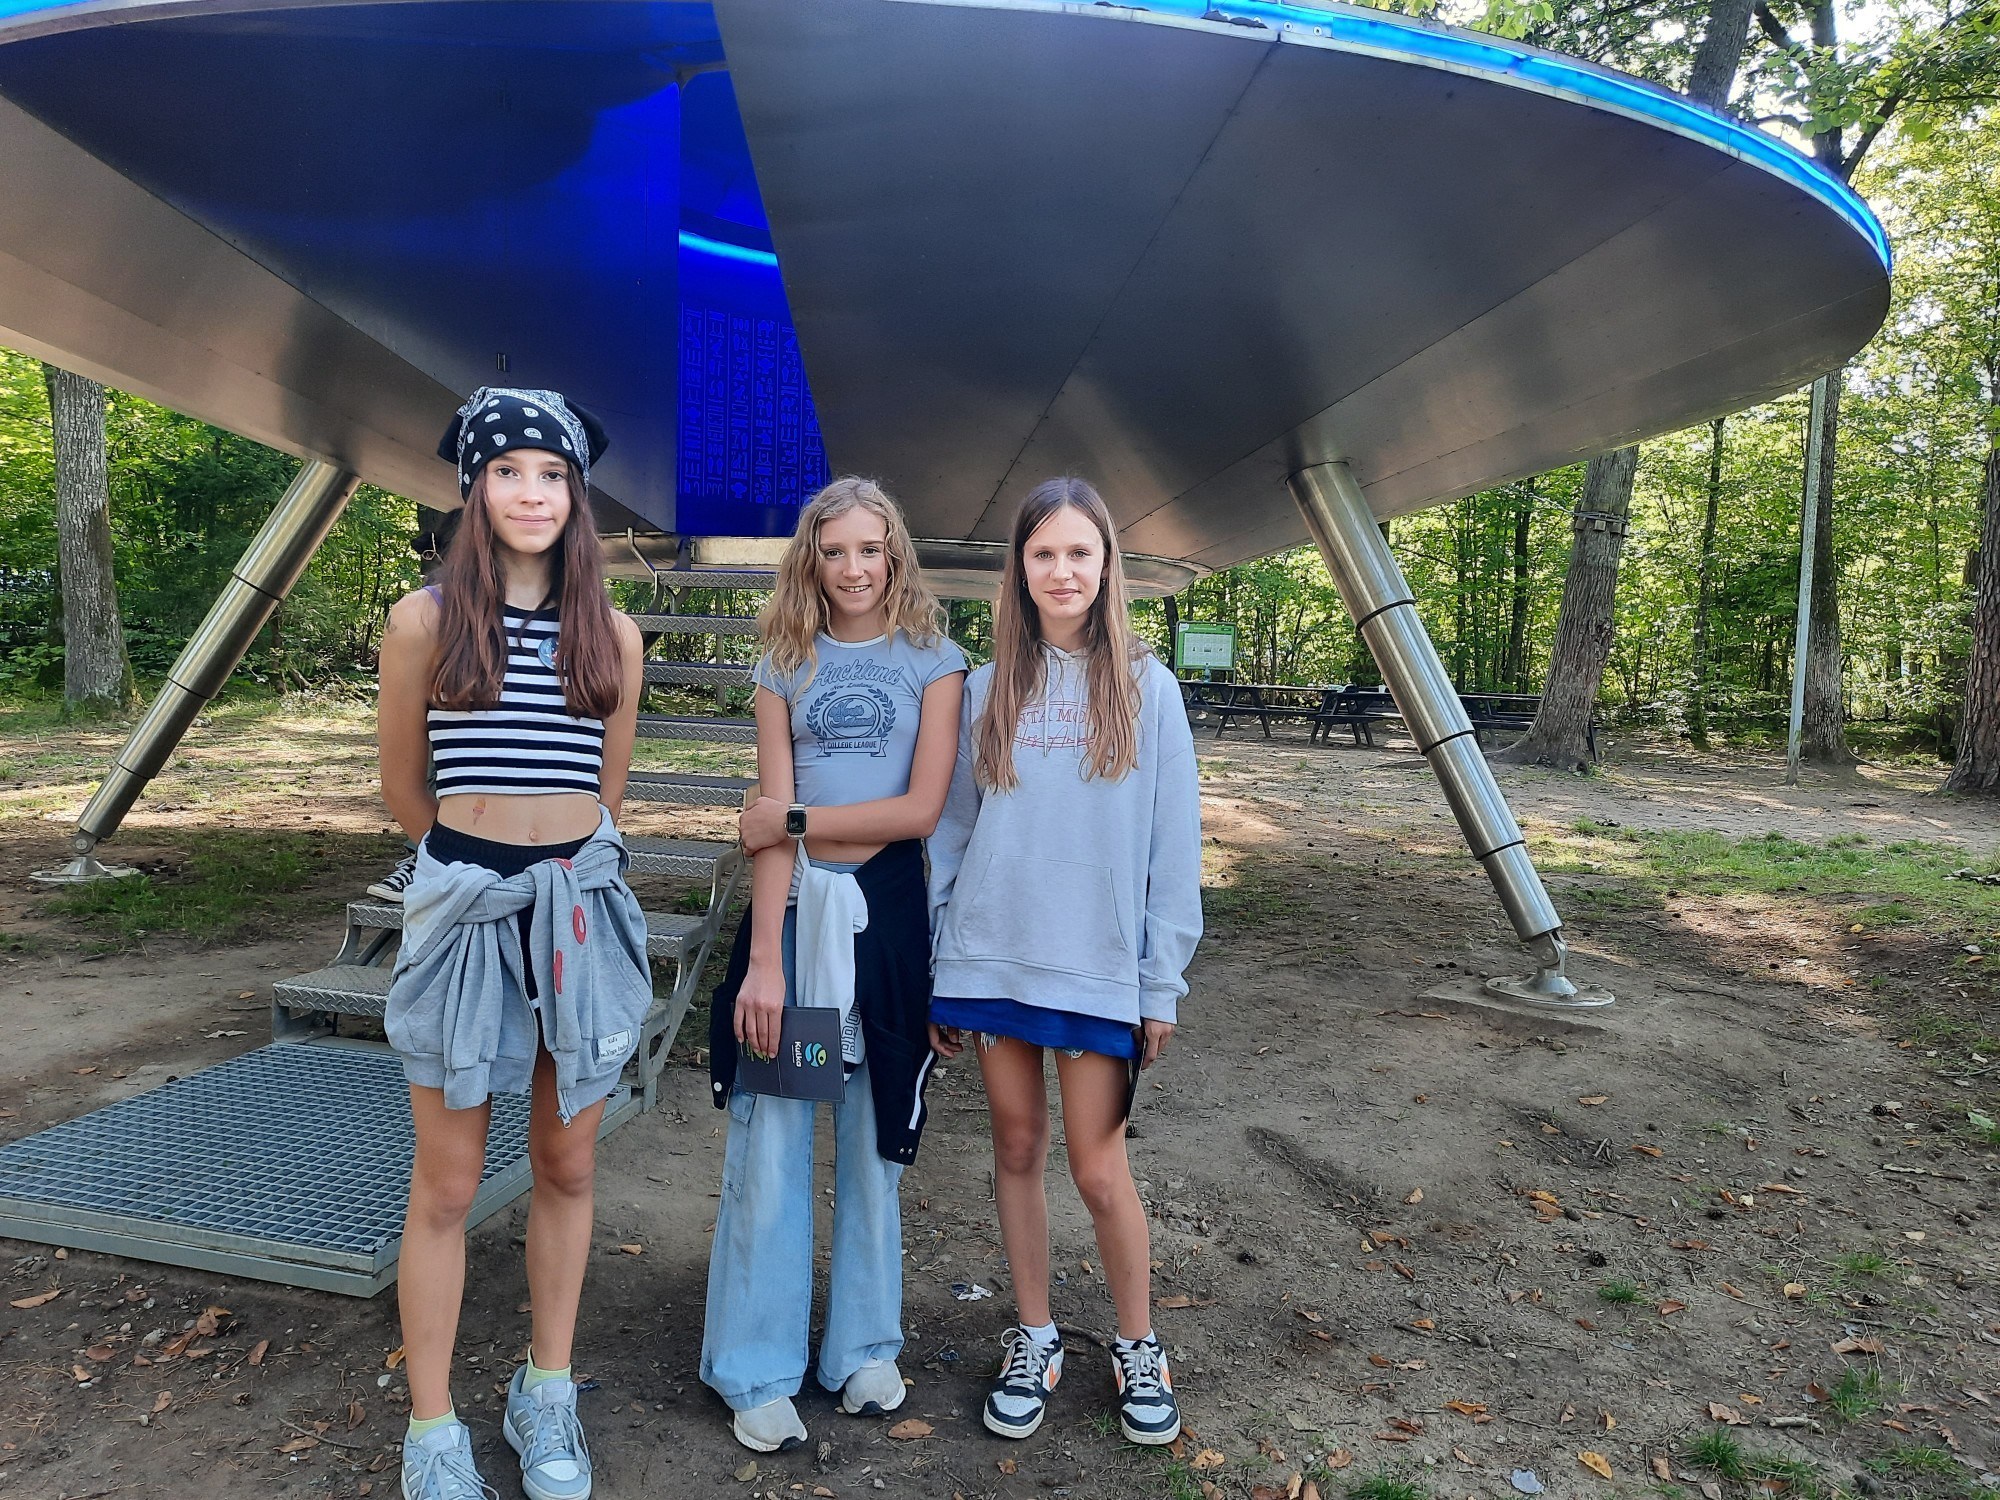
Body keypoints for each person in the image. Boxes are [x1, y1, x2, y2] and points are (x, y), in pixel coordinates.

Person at [377, 387, 649, 1500]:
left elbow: (606, 793)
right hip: (465, 913)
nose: (530, 493)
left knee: (567, 1163)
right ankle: (432, 1429)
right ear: (472, 489)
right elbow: (407, 788)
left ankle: (546, 1391)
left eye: (551, 475)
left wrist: (552, 874)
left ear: (576, 495)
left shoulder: (614, 635)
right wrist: (472, 872)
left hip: (575, 911)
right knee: (445, 1184)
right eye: (507, 472)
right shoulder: (424, 621)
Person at [926, 476, 1203, 1446]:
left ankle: (1137, 1344)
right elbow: (951, 835)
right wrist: (942, 963)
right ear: (1018, 567)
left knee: (1097, 1168)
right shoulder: (982, 688)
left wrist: (1158, 983)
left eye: (1079, 552)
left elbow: (1173, 849)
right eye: (1042, 553)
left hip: (1096, 969)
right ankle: (1035, 1335)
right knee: (1015, 1147)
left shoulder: (1148, 688)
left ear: (1106, 564)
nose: (1061, 571)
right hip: (992, 961)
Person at [701, 477, 967, 1453]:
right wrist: (765, 963)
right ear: (810, 560)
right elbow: (769, 832)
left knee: (870, 1133)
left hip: (885, 921)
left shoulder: (935, 661)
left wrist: (798, 818)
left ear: (894, 554)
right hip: (798, 920)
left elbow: (918, 811)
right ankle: (756, 1361)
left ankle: (860, 1347)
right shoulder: (785, 663)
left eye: (870, 549)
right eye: (835, 550)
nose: (854, 568)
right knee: (776, 1136)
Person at [370, 510, 464, 904]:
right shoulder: (426, 603)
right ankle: (424, 857)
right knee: (425, 770)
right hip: (433, 702)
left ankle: (425, 857)